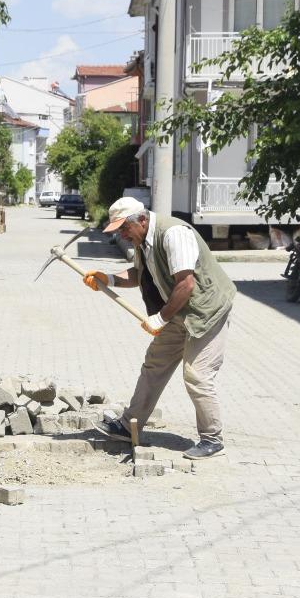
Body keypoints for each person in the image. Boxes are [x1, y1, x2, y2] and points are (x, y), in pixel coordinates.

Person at [84, 196, 236, 459]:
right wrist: (107, 278)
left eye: (123, 228)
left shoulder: (174, 234)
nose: (121, 235)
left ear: (141, 220)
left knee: (197, 375)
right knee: (155, 364)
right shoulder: (142, 240)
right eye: (118, 230)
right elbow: (139, 274)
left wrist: (160, 318)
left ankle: (212, 439)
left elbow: (186, 284)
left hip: (206, 312)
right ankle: (127, 425)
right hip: (178, 311)